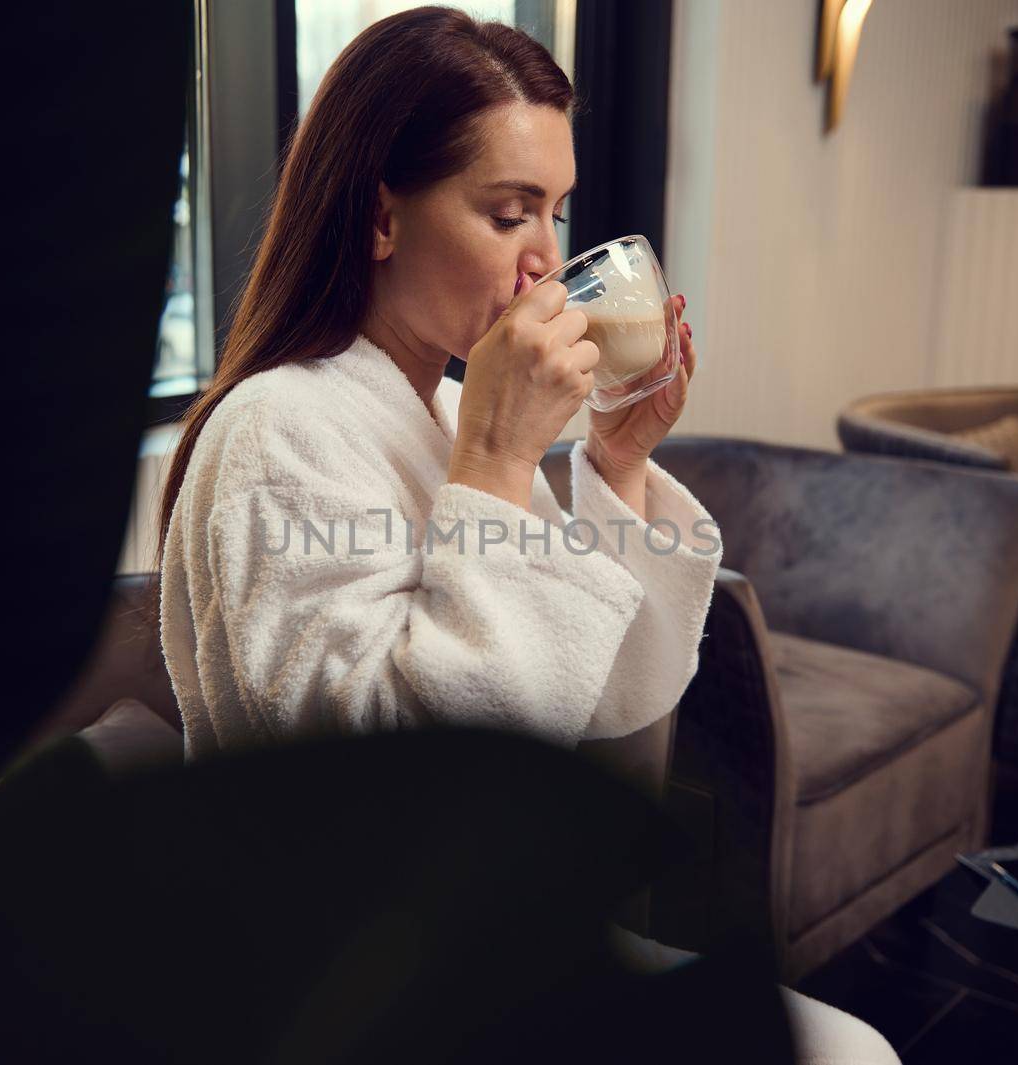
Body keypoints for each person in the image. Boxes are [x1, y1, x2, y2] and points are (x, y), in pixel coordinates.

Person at [156, 8, 899, 1063]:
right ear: (381, 219)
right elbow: (376, 798)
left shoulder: (453, 415)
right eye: (508, 214)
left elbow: (609, 690)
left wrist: (617, 462)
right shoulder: (281, 427)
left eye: (555, 213)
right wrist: (503, 466)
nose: (545, 263)